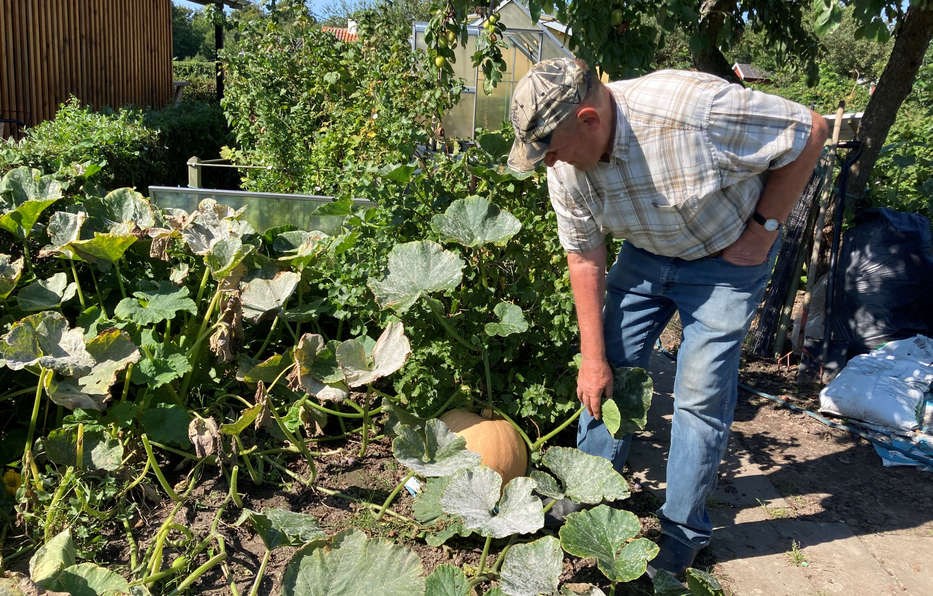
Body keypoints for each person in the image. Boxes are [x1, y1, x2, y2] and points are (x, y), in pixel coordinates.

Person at [507, 58, 828, 579]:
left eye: (554, 151)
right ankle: (590, 505)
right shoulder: (565, 160)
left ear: (589, 119)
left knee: (700, 396)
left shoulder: (693, 112)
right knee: (605, 374)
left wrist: (764, 229)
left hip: (725, 261)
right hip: (645, 255)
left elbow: (808, 130)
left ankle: (682, 532)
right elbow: (584, 255)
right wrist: (593, 359)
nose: (549, 164)